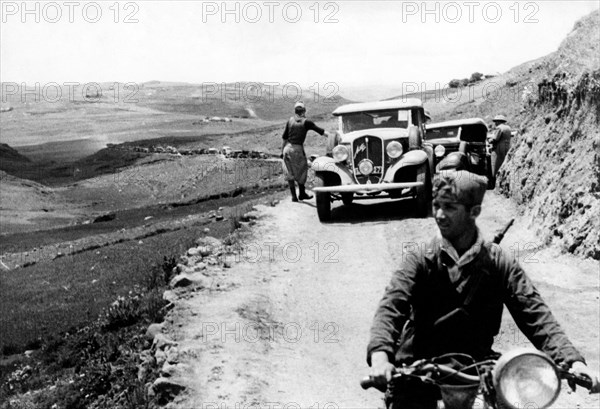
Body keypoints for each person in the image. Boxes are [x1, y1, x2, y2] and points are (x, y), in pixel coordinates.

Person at [367, 170, 599, 409]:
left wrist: (571, 362)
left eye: (449, 207)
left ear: (474, 212)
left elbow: (536, 314)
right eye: (436, 205)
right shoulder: (421, 259)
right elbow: (391, 307)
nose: (439, 215)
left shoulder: (499, 262)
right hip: (418, 369)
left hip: (477, 367)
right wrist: (380, 356)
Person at [281, 101, 328, 202]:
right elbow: (321, 132)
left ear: (295, 111)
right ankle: (302, 194)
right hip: (297, 149)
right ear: (304, 111)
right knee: (302, 170)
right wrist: (333, 135)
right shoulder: (306, 122)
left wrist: (282, 151)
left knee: (289, 172)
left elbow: (284, 138)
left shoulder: (290, 121)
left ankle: (294, 196)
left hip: (287, 148)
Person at [489, 114, 512, 180]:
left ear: (499, 121)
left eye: (496, 121)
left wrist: (489, 140)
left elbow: (495, 139)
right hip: (507, 147)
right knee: (504, 163)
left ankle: (495, 179)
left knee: (495, 165)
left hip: (498, 149)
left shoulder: (499, 128)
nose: (495, 123)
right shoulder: (508, 128)